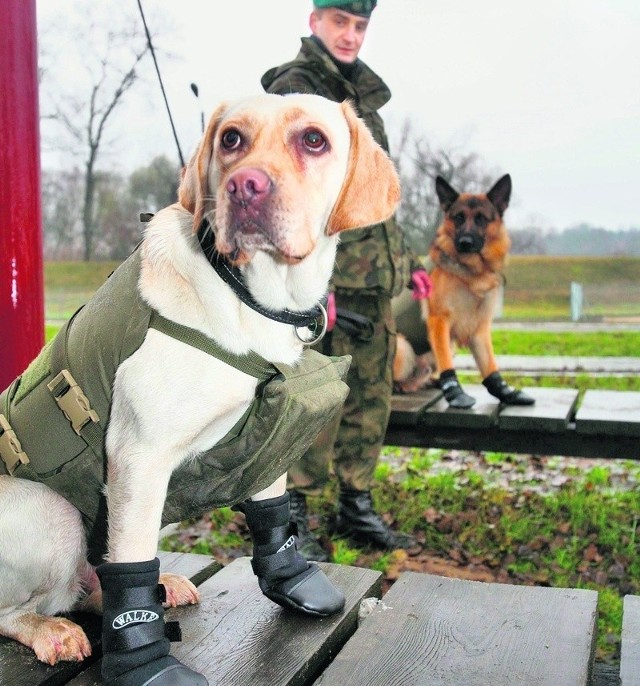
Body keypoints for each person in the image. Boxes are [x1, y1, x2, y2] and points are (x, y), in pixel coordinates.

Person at [261, 0, 432, 561]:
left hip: (374, 276)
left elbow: (374, 192)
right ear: (315, 22)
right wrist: (317, 288)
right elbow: (292, 192)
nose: (351, 35)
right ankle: (297, 514)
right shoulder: (299, 89)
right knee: (315, 401)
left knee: (370, 395)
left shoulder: (363, 95)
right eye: (340, 22)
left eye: (360, 26)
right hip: (324, 280)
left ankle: (355, 502)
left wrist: (408, 263)